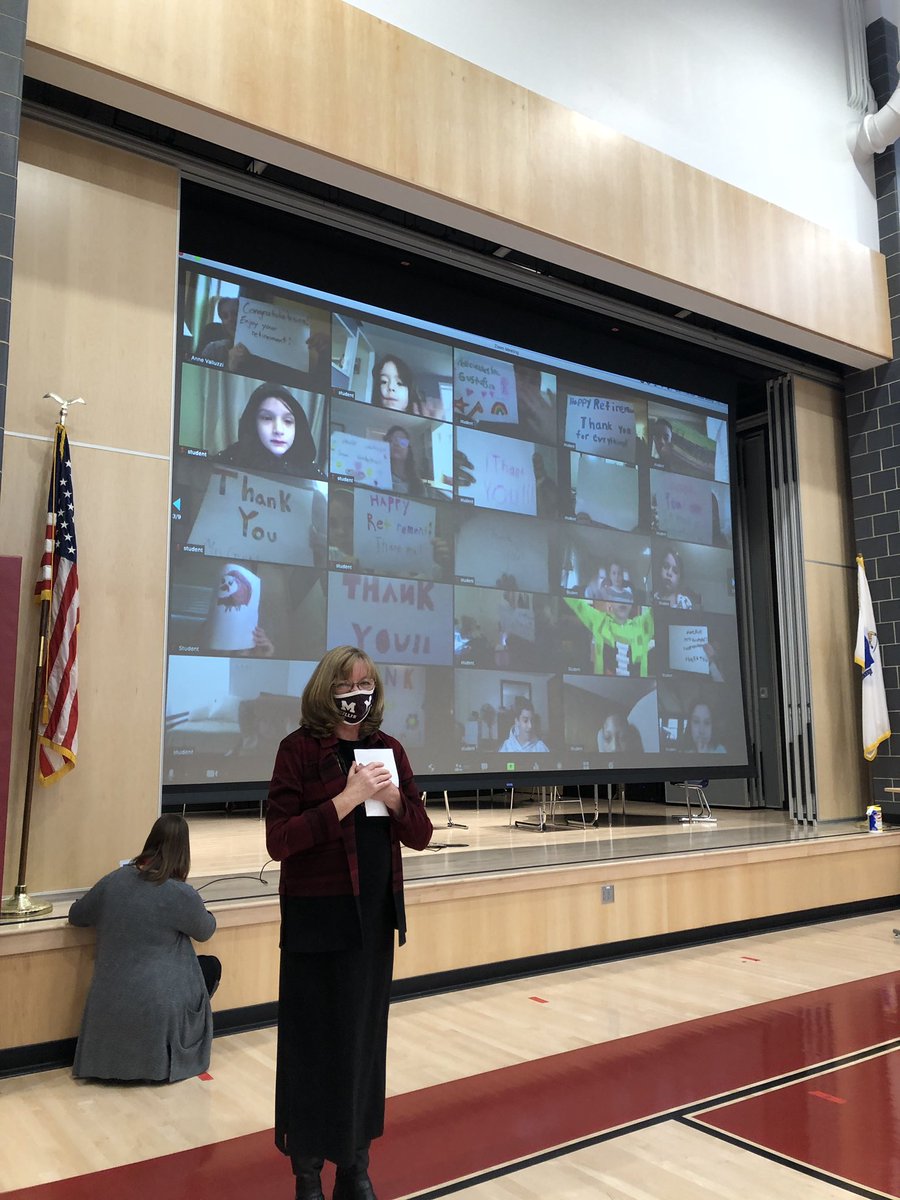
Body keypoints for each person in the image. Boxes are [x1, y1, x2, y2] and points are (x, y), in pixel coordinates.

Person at [266, 646, 433, 1200]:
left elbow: (421, 833)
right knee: (313, 1046)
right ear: (325, 690)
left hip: (372, 922)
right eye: (345, 683)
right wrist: (347, 800)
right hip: (316, 921)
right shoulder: (297, 751)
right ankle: (308, 1171)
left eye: (365, 682)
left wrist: (394, 799)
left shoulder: (389, 750)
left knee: (363, 1045)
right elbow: (280, 840)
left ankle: (355, 1165)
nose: (356, 692)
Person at [67, 814, 219, 1083]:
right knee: (209, 966)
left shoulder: (112, 881)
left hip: (108, 1007)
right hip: (157, 1009)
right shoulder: (180, 894)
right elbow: (206, 929)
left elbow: (77, 915)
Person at [215, 383, 326, 479]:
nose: (278, 430)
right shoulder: (230, 460)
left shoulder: (312, 475)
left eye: (288, 421)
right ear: (253, 423)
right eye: (267, 418)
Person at [383, 425, 426, 496]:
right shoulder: (378, 476)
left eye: (402, 442)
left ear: (408, 450)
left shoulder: (418, 485)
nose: (396, 444)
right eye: (391, 440)